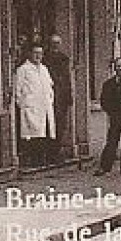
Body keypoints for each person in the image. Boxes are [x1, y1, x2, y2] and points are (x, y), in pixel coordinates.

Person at [12, 45, 56, 168]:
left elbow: (50, 87)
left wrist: (50, 100)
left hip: (45, 107)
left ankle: (43, 159)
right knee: (31, 136)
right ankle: (32, 161)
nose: (38, 56)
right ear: (29, 54)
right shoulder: (23, 70)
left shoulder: (44, 69)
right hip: (31, 108)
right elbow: (18, 90)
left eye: (40, 53)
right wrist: (24, 105)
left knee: (44, 133)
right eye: (35, 53)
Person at [45, 33, 74, 161]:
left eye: (57, 43)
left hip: (61, 97)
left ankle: (56, 150)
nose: (55, 46)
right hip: (48, 96)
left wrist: (69, 96)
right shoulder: (45, 59)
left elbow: (67, 78)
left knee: (61, 124)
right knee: (48, 124)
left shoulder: (64, 59)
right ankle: (48, 152)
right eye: (53, 43)